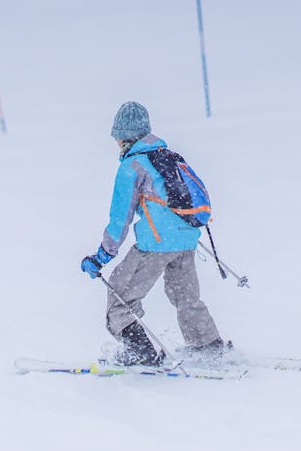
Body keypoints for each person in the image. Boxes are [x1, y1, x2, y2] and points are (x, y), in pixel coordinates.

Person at [80, 101, 226, 366]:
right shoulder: (169, 157)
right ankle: (208, 345)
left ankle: (140, 352)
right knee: (185, 296)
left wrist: (102, 256)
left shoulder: (132, 166)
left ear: (123, 137)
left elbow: (119, 219)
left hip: (157, 244)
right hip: (187, 239)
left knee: (120, 296)